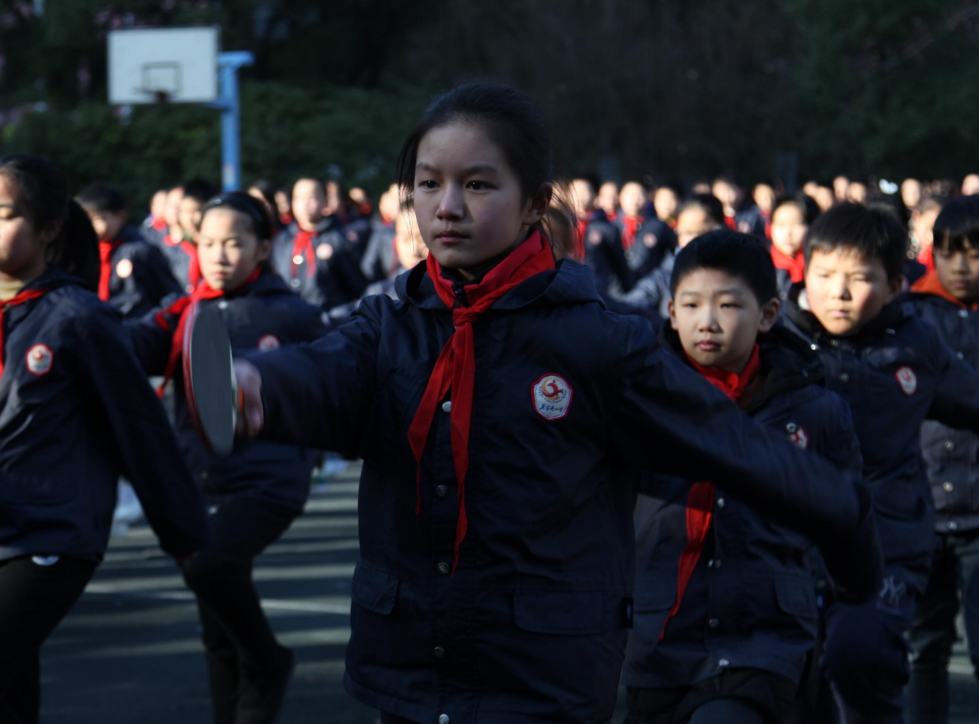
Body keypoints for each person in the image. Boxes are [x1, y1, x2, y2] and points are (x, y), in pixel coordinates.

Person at [229, 82, 881, 724]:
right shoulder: (389, 323)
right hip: (410, 667)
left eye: (478, 185)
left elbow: (739, 447)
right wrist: (258, 386)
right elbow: (321, 373)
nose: (447, 207)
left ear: (535, 203)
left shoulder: (599, 340)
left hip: (539, 674)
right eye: (428, 184)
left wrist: (851, 542)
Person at [780, 202, 979, 724]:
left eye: (859, 278)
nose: (838, 292)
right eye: (824, 275)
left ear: (894, 285)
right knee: (797, 677)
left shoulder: (914, 344)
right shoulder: (779, 344)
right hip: (791, 541)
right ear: (804, 271)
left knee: (860, 653)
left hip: (888, 537)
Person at [623, 231, 864, 724]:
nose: (706, 322)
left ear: (768, 314)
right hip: (654, 633)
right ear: (671, 311)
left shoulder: (816, 409)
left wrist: (856, 596)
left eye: (728, 306)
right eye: (690, 305)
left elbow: (846, 511)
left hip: (763, 635)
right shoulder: (641, 399)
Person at [0, 154, 208, 724]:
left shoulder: (77, 318)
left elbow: (138, 428)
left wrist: (184, 534)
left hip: (50, 532)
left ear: (48, 229)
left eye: (4, 214)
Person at [128, 192, 329, 724]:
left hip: (270, 480)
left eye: (233, 242)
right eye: (209, 243)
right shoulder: (182, 311)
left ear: (263, 247)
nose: (218, 254)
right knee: (215, 632)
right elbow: (123, 345)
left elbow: (331, 379)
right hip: (195, 481)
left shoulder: (294, 314)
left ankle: (268, 660)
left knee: (212, 567)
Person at [906, 195, 979, 724]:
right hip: (922, 504)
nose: (960, 267)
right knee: (922, 648)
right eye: (948, 253)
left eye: (975, 254)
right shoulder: (911, 314)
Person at [76, 181, 181, 319]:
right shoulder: (87, 251)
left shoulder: (140, 251)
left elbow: (171, 294)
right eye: (87, 220)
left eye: (97, 218)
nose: (91, 226)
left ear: (119, 217)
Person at [616, 194, 724, 320]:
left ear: (719, 230)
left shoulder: (737, 271)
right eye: (685, 233)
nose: (691, 240)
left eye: (699, 232)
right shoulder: (667, 274)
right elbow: (632, 302)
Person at [273, 177, 371, 306]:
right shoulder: (283, 240)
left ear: (325, 202)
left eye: (312, 198)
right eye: (299, 198)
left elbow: (356, 288)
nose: (305, 204)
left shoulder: (338, 240)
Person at [569, 177, 633, 296]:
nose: (580, 196)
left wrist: (627, 289)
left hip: (599, 288)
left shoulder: (607, 227)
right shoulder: (561, 225)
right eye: (575, 191)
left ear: (594, 195)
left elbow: (619, 263)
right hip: (567, 284)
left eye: (585, 192)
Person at [617, 181, 677, 280]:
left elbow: (671, 255)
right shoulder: (610, 227)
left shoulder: (658, 226)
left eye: (639, 195)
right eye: (630, 195)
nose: (635, 200)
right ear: (620, 197)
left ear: (648, 198)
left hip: (649, 284)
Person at [769, 193, 819, 300]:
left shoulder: (820, 267)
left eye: (796, 224)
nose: (788, 233)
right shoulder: (761, 267)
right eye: (780, 224)